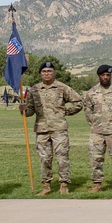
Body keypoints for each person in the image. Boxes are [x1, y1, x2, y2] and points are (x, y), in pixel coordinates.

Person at [21, 61, 83, 195]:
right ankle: (46, 185)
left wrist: (66, 111)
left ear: (54, 73)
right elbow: (30, 111)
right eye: (44, 71)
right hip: (41, 129)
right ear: (40, 74)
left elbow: (78, 102)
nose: (46, 73)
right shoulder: (34, 90)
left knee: (62, 157)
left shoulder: (62, 88)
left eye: (49, 71)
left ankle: (64, 184)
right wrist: (24, 110)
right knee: (44, 158)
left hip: (59, 128)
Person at [83, 64, 112, 194]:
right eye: (103, 75)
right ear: (99, 76)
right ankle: (96, 184)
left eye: (108, 75)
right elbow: (87, 111)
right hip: (97, 132)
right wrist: (94, 123)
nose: (105, 77)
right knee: (95, 158)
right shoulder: (91, 93)